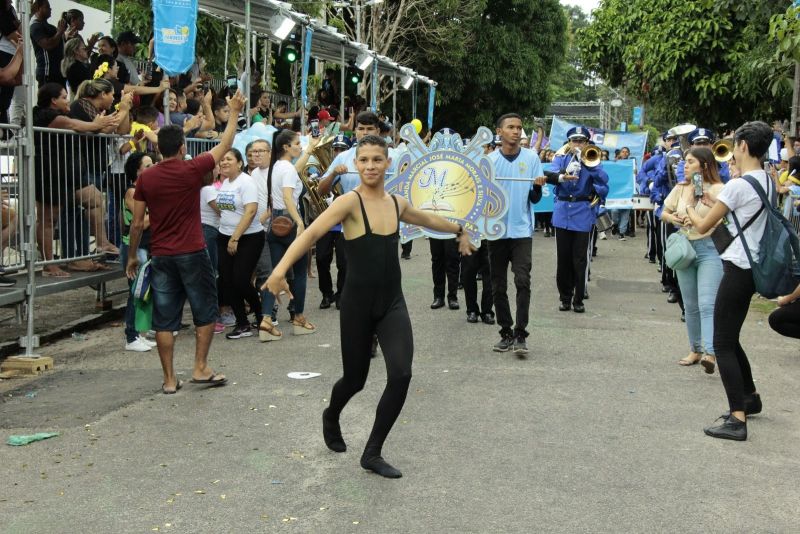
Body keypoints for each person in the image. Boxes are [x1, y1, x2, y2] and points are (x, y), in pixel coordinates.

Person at [263, 135, 473, 478]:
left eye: (378, 159)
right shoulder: (348, 202)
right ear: (356, 164)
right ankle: (332, 414)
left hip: (392, 303)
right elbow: (310, 235)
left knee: (402, 373)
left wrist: (459, 229)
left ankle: (372, 452)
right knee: (355, 379)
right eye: (364, 160)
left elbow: (427, 218)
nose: (371, 166)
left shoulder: (396, 203)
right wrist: (279, 271)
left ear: (388, 163)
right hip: (357, 305)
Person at [125, 89, 247, 394]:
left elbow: (138, 223)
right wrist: (233, 112)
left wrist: (131, 257)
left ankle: (169, 380)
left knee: (165, 319)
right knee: (205, 311)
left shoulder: (146, 178)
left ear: (160, 150)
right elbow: (225, 144)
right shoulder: (191, 169)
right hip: (192, 251)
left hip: (161, 255)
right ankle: (200, 368)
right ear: (181, 148)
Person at [684, 120, 773, 441]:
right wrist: (715, 206)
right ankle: (749, 397)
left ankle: (737, 417)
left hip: (737, 267)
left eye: (735, 146)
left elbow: (704, 226)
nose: (732, 152)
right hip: (754, 264)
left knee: (721, 342)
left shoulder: (738, 184)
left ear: (744, 147)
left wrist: (694, 208)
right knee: (731, 337)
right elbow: (742, 216)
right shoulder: (767, 179)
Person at [32, 82, 121, 276]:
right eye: (64, 97)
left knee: (96, 199)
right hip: (50, 174)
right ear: (53, 101)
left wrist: (100, 125)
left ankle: (102, 242)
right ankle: (49, 265)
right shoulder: (48, 116)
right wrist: (99, 124)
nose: (67, 100)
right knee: (48, 219)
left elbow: (89, 128)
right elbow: (79, 126)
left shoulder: (62, 115)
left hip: (69, 174)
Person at [661, 147, 724, 372]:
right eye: (684, 161)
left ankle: (710, 352)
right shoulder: (682, 188)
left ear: (704, 165)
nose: (684, 165)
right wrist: (675, 218)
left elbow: (722, 219)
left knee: (708, 303)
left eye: (690, 162)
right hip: (685, 247)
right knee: (690, 304)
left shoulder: (718, 189)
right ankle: (695, 349)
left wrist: (695, 211)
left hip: (710, 249)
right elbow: (664, 212)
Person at [487, 113, 544, 355]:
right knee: (498, 285)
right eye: (511, 127)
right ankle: (506, 332)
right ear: (499, 131)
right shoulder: (488, 161)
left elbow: (534, 198)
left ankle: (521, 334)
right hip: (495, 230)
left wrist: (538, 186)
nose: (516, 131)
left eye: (519, 127)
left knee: (522, 281)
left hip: (521, 231)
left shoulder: (531, 158)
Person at [258, 129, 318, 340]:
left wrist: (309, 150)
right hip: (290, 223)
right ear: (285, 147)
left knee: (276, 272)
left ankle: (266, 319)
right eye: (297, 144)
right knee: (300, 273)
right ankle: (298, 317)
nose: (299, 146)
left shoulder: (277, 167)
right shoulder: (287, 169)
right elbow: (288, 196)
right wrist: (300, 222)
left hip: (275, 222)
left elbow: (295, 170)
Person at [543, 127, 609, 314]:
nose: (578, 144)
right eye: (574, 141)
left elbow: (604, 181)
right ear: (569, 143)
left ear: (587, 143)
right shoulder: (560, 157)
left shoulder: (592, 160)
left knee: (579, 260)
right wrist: (563, 173)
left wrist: (588, 165)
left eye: (581, 141)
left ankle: (578, 298)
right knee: (563, 259)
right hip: (563, 212)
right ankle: (565, 297)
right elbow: (549, 174)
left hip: (582, 212)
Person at [215, 148, 264, 339]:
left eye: (228, 159)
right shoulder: (225, 183)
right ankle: (242, 323)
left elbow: (251, 211)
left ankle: (261, 316)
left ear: (240, 163)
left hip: (248, 237)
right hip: (224, 236)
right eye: (222, 160)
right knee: (227, 281)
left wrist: (235, 237)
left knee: (241, 279)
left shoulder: (247, 182)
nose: (224, 162)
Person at [121, 152, 157, 352]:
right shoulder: (131, 192)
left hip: (147, 246)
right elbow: (140, 223)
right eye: (148, 165)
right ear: (137, 170)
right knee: (134, 292)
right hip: (134, 247)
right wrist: (159, 210)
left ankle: (140, 333)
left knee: (144, 291)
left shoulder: (147, 191)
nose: (153, 168)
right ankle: (131, 335)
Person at [316, 134, 350, 309]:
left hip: (344, 223)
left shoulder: (350, 170)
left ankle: (341, 293)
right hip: (326, 221)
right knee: (321, 258)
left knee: (344, 262)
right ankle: (326, 293)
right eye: (335, 149)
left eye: (342, 149)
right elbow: (317, 192)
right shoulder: (319, 169)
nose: (337, 152)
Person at [30, 0, 67, 87]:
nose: (50, 9)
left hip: (58, 72)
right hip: (47, 72)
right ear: (39, 9)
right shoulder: (35, 27)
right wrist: (59, 32)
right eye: (47, 7)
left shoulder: (51, 27)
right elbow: (47, 45)